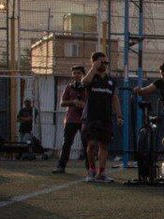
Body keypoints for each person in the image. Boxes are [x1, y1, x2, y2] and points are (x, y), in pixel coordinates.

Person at [79, 51, 123, 183]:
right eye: (102, 62)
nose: (105, 64)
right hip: (91, 117)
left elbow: (114, 98)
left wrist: (119, 115)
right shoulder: (91, 77)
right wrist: (93, 68)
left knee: (104, 145)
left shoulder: (111, 80)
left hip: (106, 117)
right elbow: (83, 82)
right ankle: (91, 170)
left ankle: (101, 173)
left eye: (106, 62)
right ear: (95, 62)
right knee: (91, 144)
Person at [53, 65, 87, 174]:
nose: (77, 75)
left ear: (83, 74)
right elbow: (62, 103)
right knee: (66, 143)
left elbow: (92, 102)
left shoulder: (87, 87)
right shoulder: (69, 87)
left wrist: (84, 105)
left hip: (84, 119)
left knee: (87, 145)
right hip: (71, 119)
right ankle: (61, 166)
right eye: (75, 73)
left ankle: (90, 169)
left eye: (79, 73)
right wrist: (73, 102)